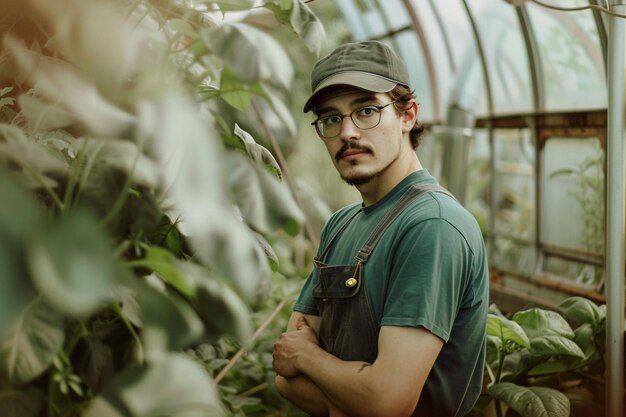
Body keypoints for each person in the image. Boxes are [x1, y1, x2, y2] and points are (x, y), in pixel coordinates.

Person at [272, 40, 489, 417]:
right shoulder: (340, 225)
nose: (348, 133)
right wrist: (351, 393)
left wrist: (309, 358)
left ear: (408, 115)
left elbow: (386, 403)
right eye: (331, 118)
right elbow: (285, 377)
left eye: (367, 111)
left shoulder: (432, 226)